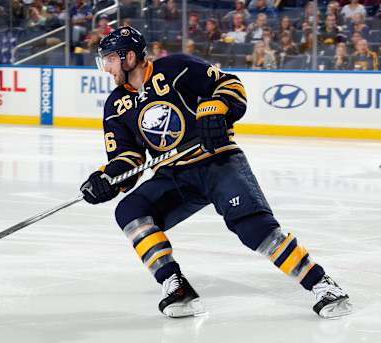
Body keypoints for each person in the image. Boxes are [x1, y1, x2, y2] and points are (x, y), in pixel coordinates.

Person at [80, 26, 352, 319]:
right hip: (173, 176)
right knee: (130, 210)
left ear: (128, 56)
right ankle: (177, 288)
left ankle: (322, 284)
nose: (106, 67)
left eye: (109, 59)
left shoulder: (177, 67)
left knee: (255, 230)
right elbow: (128, 157)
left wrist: (215, 108)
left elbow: (230, 86)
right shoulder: (116, 106)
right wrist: (107, 178)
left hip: (217, 162)